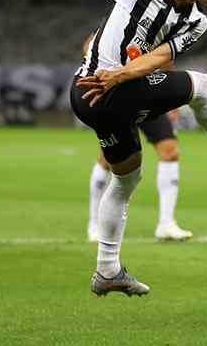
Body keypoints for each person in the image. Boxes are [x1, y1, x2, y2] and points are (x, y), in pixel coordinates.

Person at [12, 0, 207, 297]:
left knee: (126, 179)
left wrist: (120, 75)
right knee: (201, 85)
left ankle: (107, 271)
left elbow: (159, 58)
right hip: (94, 89)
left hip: (106, 95)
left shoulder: (196, 22)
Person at [81, 34, 192, 242]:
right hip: (118, 99)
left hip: (147, 95)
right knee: (108, 160)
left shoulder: (159, 25)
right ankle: (94, 224)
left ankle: (166, 224)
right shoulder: (119, 23)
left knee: (170, 150)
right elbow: (89, 46)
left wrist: (172, 100)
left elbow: (166, 57)